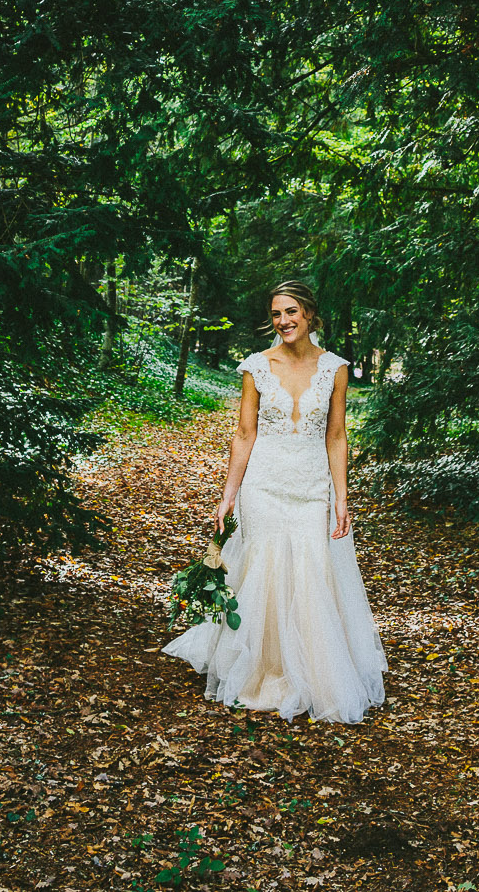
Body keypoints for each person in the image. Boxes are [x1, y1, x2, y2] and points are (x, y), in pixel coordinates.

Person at [162, 280, 386, 722]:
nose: (283, 321)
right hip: (263, 482)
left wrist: (342, 497)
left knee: (311, 569)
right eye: (277, 314)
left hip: (310, 485)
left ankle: (312, 672)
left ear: (309, 315)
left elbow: (336, 436)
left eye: (291, 312)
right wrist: (228, 496)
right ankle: (260, 669)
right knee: (265, 567)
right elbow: (245, 434)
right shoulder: (257, 367)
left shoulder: (335, 368)